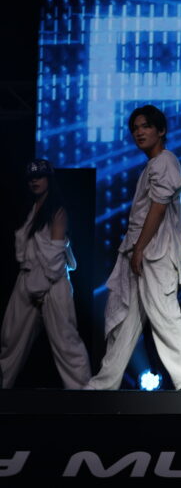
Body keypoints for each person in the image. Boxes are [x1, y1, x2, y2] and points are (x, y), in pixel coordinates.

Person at [87, 105, 181, 391]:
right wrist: (136, 250)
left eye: (146, 126)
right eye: (135, 128)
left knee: (165, 315)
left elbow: (158, 207)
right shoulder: (153, 165)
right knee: (125, 322)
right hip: (140, 253)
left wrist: (140, 248)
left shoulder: (165, 161)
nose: (139, 132)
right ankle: (104, 384)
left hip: (155, 253)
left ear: (161, 130)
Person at [0, 159, 91, 388]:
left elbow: (55, 256)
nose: (35, 181)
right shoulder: (30, 210)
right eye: (31, 178)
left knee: (66, 342)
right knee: (10, 339)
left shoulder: (57, 211)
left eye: (39, 176)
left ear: (49, 179)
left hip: (53, 283)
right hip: (27, 279)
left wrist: (42, 287)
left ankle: (84, 396)